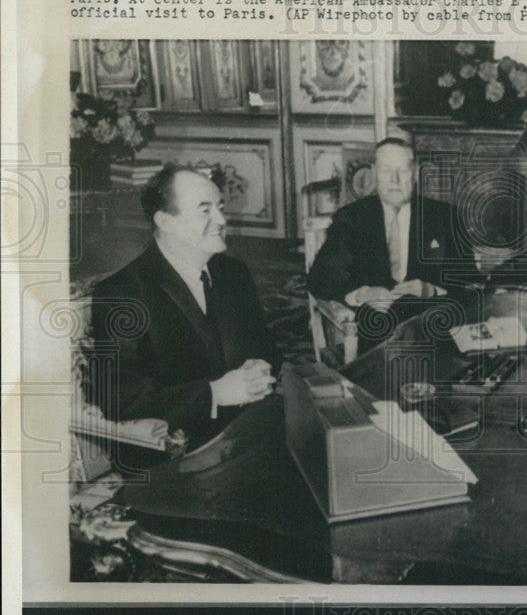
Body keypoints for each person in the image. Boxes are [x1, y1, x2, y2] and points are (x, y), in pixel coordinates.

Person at [89, 165, 279, 454]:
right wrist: (214, 394)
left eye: (220, 207)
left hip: (248, 436)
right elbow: (120, 400)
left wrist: (260, 366)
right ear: (166, 222)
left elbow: (267, 347)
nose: (222, 219)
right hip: (175, 456)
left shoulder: (233, 273)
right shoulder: (122, 294)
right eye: (205, 210)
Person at [306, 137, 472, 352]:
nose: (394, 179)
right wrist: (363, 294)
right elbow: (320, 278)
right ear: (374, 173)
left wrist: (431, 290)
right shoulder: (352, 217)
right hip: (376, 324)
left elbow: (470, 280)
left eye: (402, 170)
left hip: (429, 317)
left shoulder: (443, 215)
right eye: (386, 171)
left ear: (415, 173)